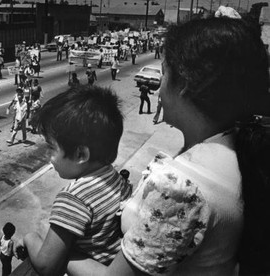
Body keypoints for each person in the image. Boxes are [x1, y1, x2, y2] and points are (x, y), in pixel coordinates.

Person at [65, 13, 270, 276]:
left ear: (183, 85)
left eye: (163, 75)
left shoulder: (181, 187)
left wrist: (60, 252)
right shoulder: (232, 147)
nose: (158, 89)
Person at [21, 85, 132, 275]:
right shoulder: (116, 179)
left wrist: (29, 238)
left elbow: (46, 265)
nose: (49, 157)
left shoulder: (73, 198)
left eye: (51, 148)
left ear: (81, 154)